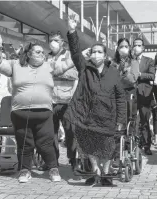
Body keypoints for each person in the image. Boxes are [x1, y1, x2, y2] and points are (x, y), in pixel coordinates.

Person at [0, 30, 74, 183]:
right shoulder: (16, 65)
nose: (42, 54)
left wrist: (79, 51)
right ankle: (24, 171)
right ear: (29, 54)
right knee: (25, 143)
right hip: (20, 113)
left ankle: (53, 169)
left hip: (44, 113)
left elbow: (67, 64)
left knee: (46, 143)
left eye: (43, 52)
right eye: (38, 52)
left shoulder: (50, 66)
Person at [64, 14, 126, 186]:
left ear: (105, 56)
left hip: (108, 116)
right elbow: (75, 52)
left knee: (107, 147)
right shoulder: (85, 68)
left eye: (99, 52)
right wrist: (72, 30)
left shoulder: (113, 72)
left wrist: (121, 120)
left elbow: (121, 98)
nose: (96, 55)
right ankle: (95, 170)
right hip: (87, 116)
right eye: (93, 52)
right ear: (90, 55)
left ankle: (105, 173)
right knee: (87, 144)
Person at [38, 31, 78, 171]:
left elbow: (75, 74)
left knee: (70, 132)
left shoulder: (70, 56)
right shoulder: (46, 57)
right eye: (51, 40)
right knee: (50, 134)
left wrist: (57, 71)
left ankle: (73, 160)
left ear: (62, 43)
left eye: (55, 40)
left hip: (67, 102)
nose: (52, 43)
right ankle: (51, 161)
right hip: (49, 101)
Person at [132, 38, 155, 155]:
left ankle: (146, 145)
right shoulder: (129, 61)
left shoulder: (149, 61)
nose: (136, 47)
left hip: (145, 94)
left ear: (143, 48)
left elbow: (152, 76)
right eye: (135, 45)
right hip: (131, 94)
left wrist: (139, 74)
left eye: (139, 45)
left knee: (145, 121)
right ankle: (132, 144)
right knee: (131, 120)